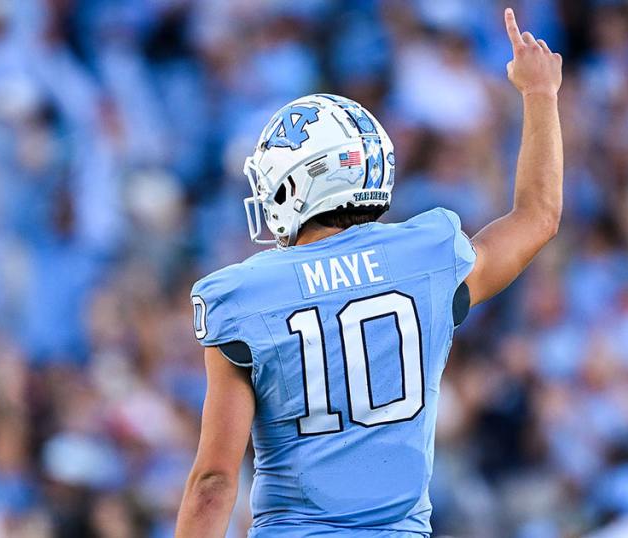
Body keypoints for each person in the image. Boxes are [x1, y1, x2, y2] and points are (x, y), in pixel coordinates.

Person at [175, 8, 563, 538]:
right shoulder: (428, 256)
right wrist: (539, 94)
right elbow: (537, 216)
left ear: (294, 187)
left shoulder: (244, 295)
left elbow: (214, 483)